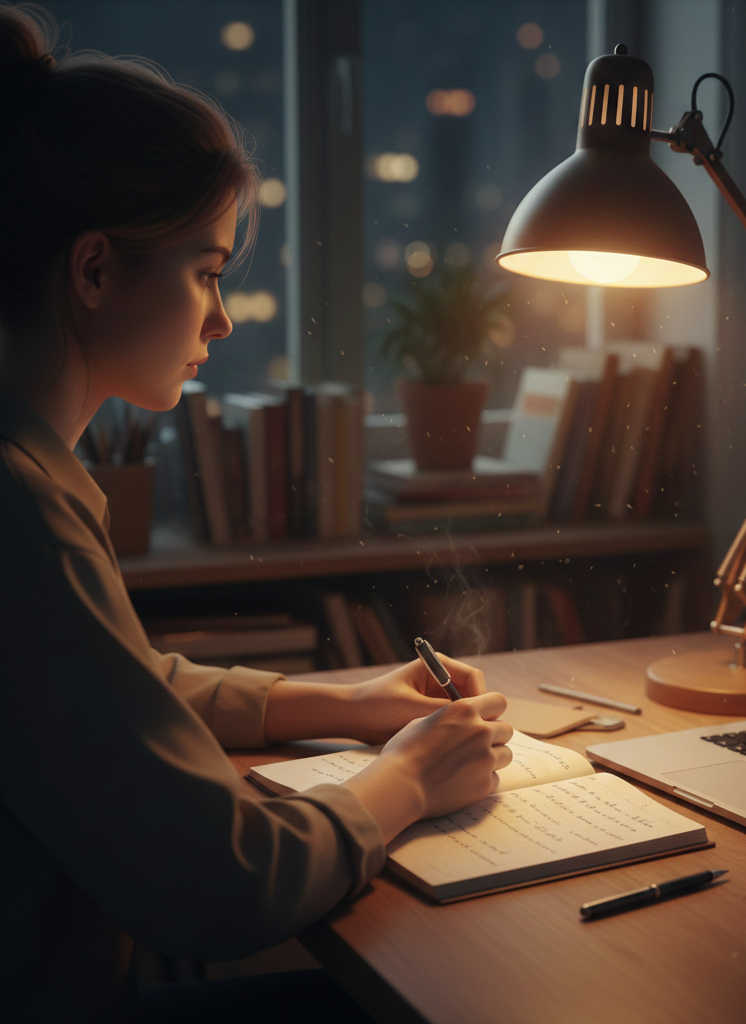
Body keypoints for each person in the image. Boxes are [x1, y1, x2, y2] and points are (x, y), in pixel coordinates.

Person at [0, 5, 513, 1021]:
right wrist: (407, 780)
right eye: (206, 272)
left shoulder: (31, 473)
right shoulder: (18, 509)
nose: (223, 318)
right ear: (94, 268)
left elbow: (110, 695)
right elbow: (224, 881)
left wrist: (345, 703)